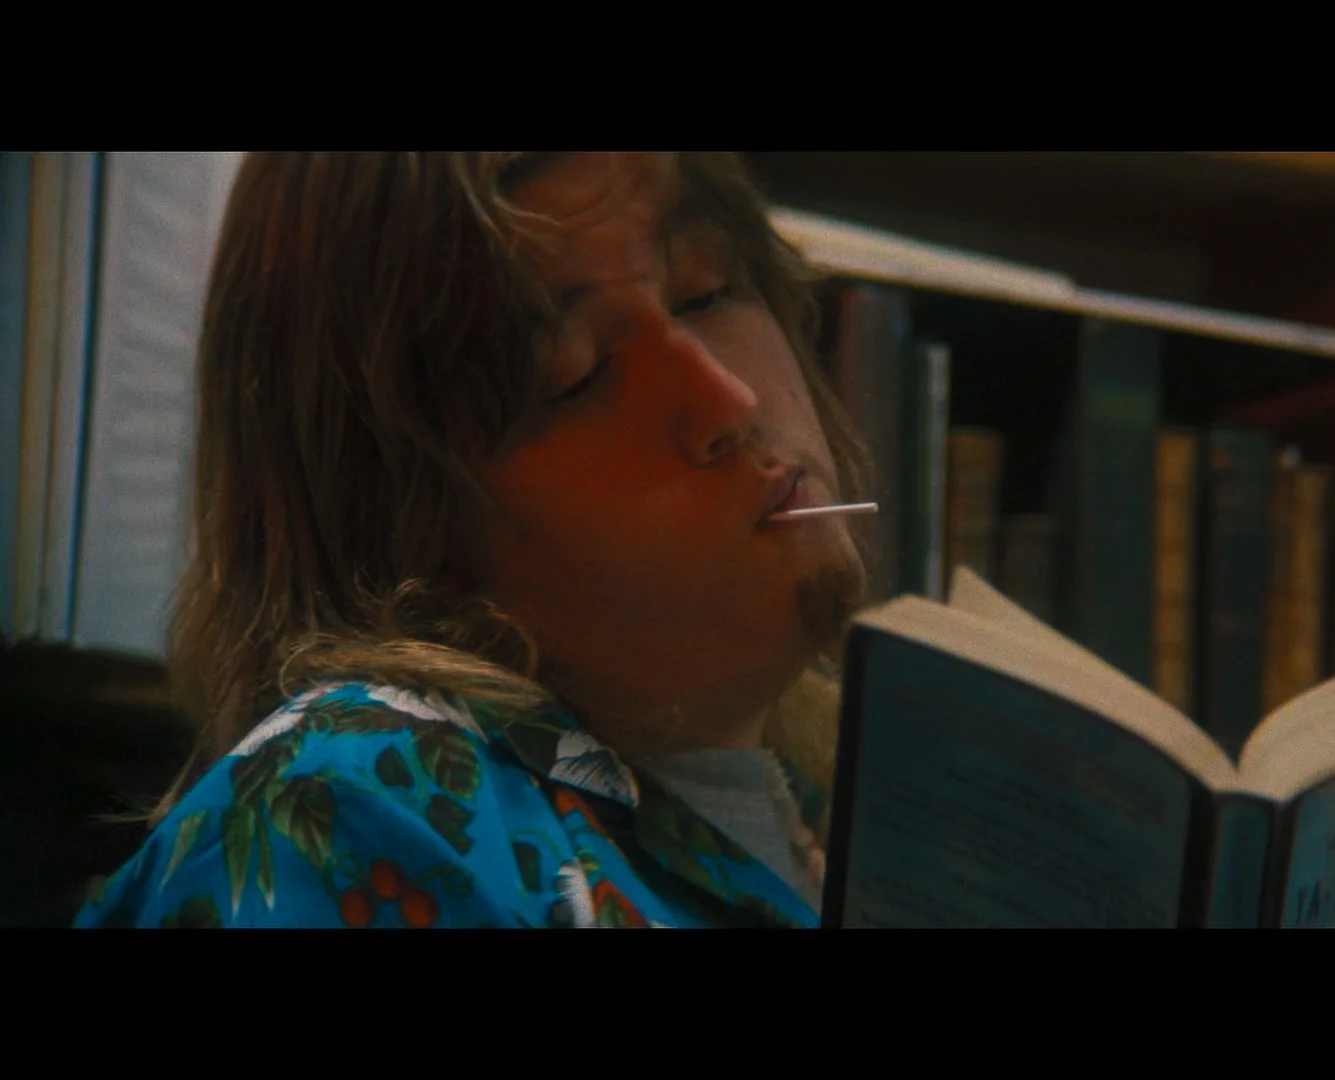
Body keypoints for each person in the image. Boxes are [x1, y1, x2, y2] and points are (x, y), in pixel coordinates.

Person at [75, 152, 872, 928]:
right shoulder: (361, 809)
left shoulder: (842, 807)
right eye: (580, 375)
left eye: (708, 292)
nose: (728, 400)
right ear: (407, 523)